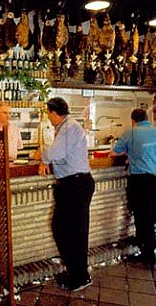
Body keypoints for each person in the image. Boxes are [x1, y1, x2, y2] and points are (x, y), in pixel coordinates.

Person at [34, 97, 95, 292]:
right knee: (67, 229)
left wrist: (42, 156)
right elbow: (57, 154)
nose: (48, 117)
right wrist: (47, 159)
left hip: (76, 184)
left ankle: (79, 277)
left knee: (71, 231)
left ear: (54, 112)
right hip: (72, 184)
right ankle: (77, 273)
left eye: (48, 113)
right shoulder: (65, 127)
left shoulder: (70, 127)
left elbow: (55, 152)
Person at [111, 109, 156, 265]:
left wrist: (129, 155)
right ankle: (145, 246)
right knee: (148, 216)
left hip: (143, 181)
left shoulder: (131, 132)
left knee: (144, 218)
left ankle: (148, 255)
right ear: (147, 118)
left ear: (133, 120)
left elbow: (115, 153)